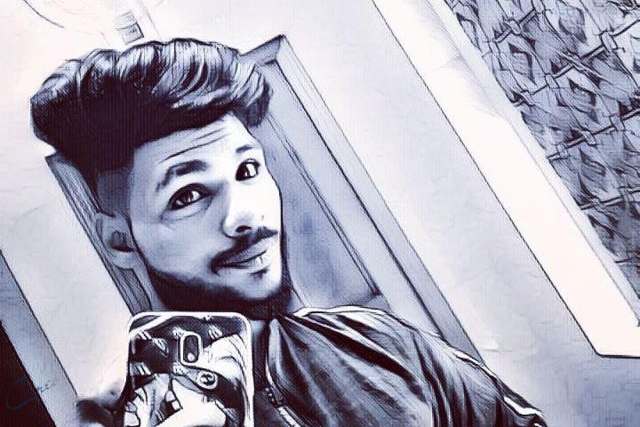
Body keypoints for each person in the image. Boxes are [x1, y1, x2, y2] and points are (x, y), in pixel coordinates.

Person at [31, 38, 547, 426]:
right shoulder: (124, 417)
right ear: (120, 240)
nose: (246, 217)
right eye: (187, 195)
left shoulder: (381, 342)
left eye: (247, 170)